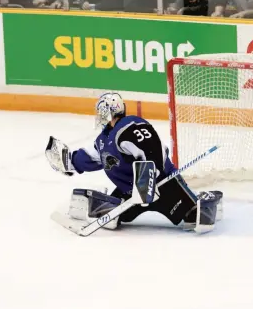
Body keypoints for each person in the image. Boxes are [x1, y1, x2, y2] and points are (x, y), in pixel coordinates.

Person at [45, 93, 223, 232]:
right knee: (103, 215)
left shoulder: (130, 126)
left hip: (164, 186)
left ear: (107, 111)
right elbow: (91, 157)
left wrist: (146, 183)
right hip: (131, 194)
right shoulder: (103, 139)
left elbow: (151, 150)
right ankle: (123, 204)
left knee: (199, 218)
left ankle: (209, 201)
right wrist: (69, 162)